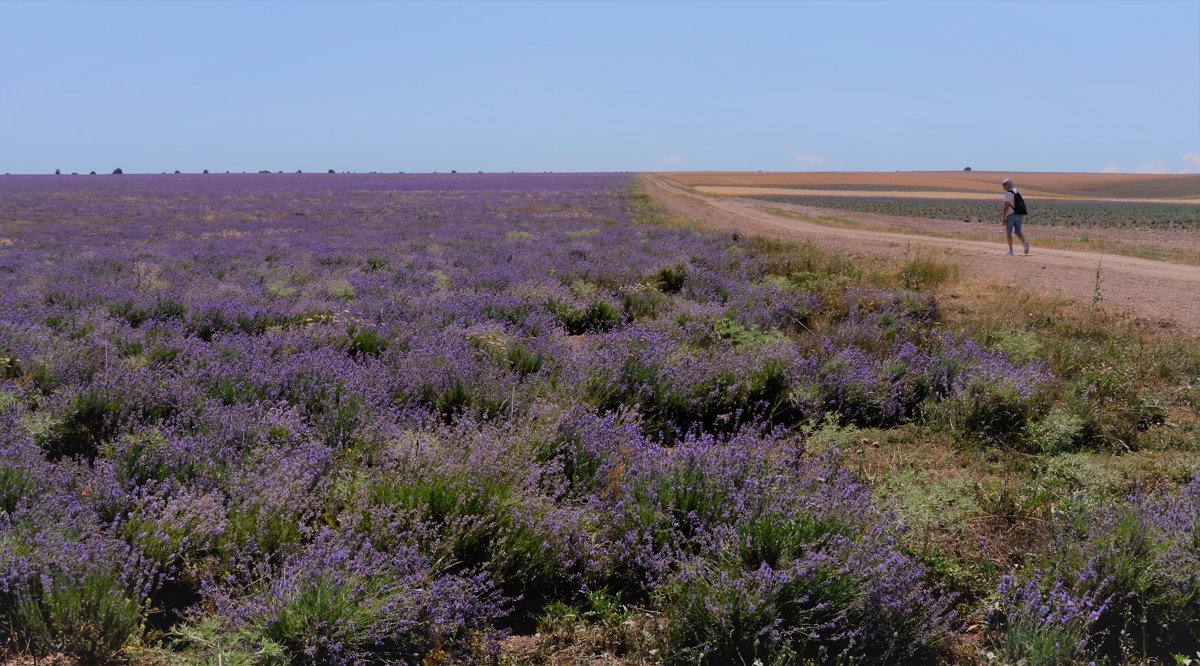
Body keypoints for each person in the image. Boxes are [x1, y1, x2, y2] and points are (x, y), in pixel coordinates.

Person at [1002, 178, 1029, 256]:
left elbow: (1006, 206)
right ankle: (1024, 242)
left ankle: (1011, 251)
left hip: (1011, 215)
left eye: (1005, 184)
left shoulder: (1008, 194)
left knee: (1008, 233)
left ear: (1008, 185)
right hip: (1019, 214)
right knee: (1018, 232)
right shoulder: (1017, 191)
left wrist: (1004, 217)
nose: (1004, 186)